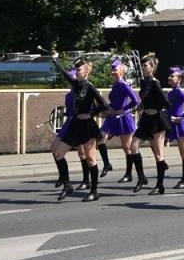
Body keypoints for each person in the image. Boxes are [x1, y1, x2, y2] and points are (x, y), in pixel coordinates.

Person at [52, 57, 107, 202]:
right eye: (76, 69)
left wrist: (91, 114)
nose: (77, 71)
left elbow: (103, 105)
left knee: (90, 159)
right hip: (75, 125)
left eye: (79, 69)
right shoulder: (76, 85)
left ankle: (94, 191)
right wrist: (55, 60)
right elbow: (64, 73)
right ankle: (67, 185)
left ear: (87, 71)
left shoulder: (90, 87)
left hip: (87, 125)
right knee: (58, 153)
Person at [101, 57, 144, 191]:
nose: (113, 72)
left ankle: (129, 173)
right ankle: (107, 164)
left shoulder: (124, 85)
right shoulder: (115, 85)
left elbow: (135, 101)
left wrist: (123, 109)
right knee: (100, 138)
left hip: (123, 118)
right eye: (112, 70)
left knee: (128, 147)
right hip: (112, 117)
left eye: (115, 69)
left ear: (122, 71)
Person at [135, 54, 171, 196]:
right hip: (145, 118)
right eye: (142, 65)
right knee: (133, 147)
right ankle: (141, 177)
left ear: (152, 68)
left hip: (156, 119)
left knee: (158, 155)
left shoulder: (155, 83)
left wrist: (157, 108)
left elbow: (165, 101)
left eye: (146, 66)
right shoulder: (144, 82)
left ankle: (160, 185)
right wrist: (141, 104)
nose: (143, 68)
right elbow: (146, 96)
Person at [163, 66, 184, 189]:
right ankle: (162, 164)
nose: (169, 77)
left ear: (178, 80)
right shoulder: (171, 92)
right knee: (158, 145)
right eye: (170, 75)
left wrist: (181, 117)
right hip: (170, 123)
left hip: (180, 125)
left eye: (172, 76)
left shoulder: (180, 92)